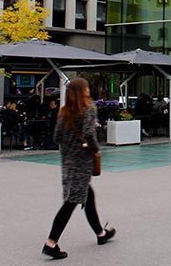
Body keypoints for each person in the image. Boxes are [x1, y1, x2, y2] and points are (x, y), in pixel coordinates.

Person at [42, 78, 115, 260]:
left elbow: (56, 136)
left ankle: (100, 234)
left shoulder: (64, 111)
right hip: (82, 163)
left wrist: (71, 145)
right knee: (71, 202)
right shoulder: (89, 110)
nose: (89, 90)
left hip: (68, 162)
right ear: (82, 91)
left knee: (87, 197)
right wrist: (96, 150)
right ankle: (51, 243)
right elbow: (90, 134)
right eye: (87, 88)